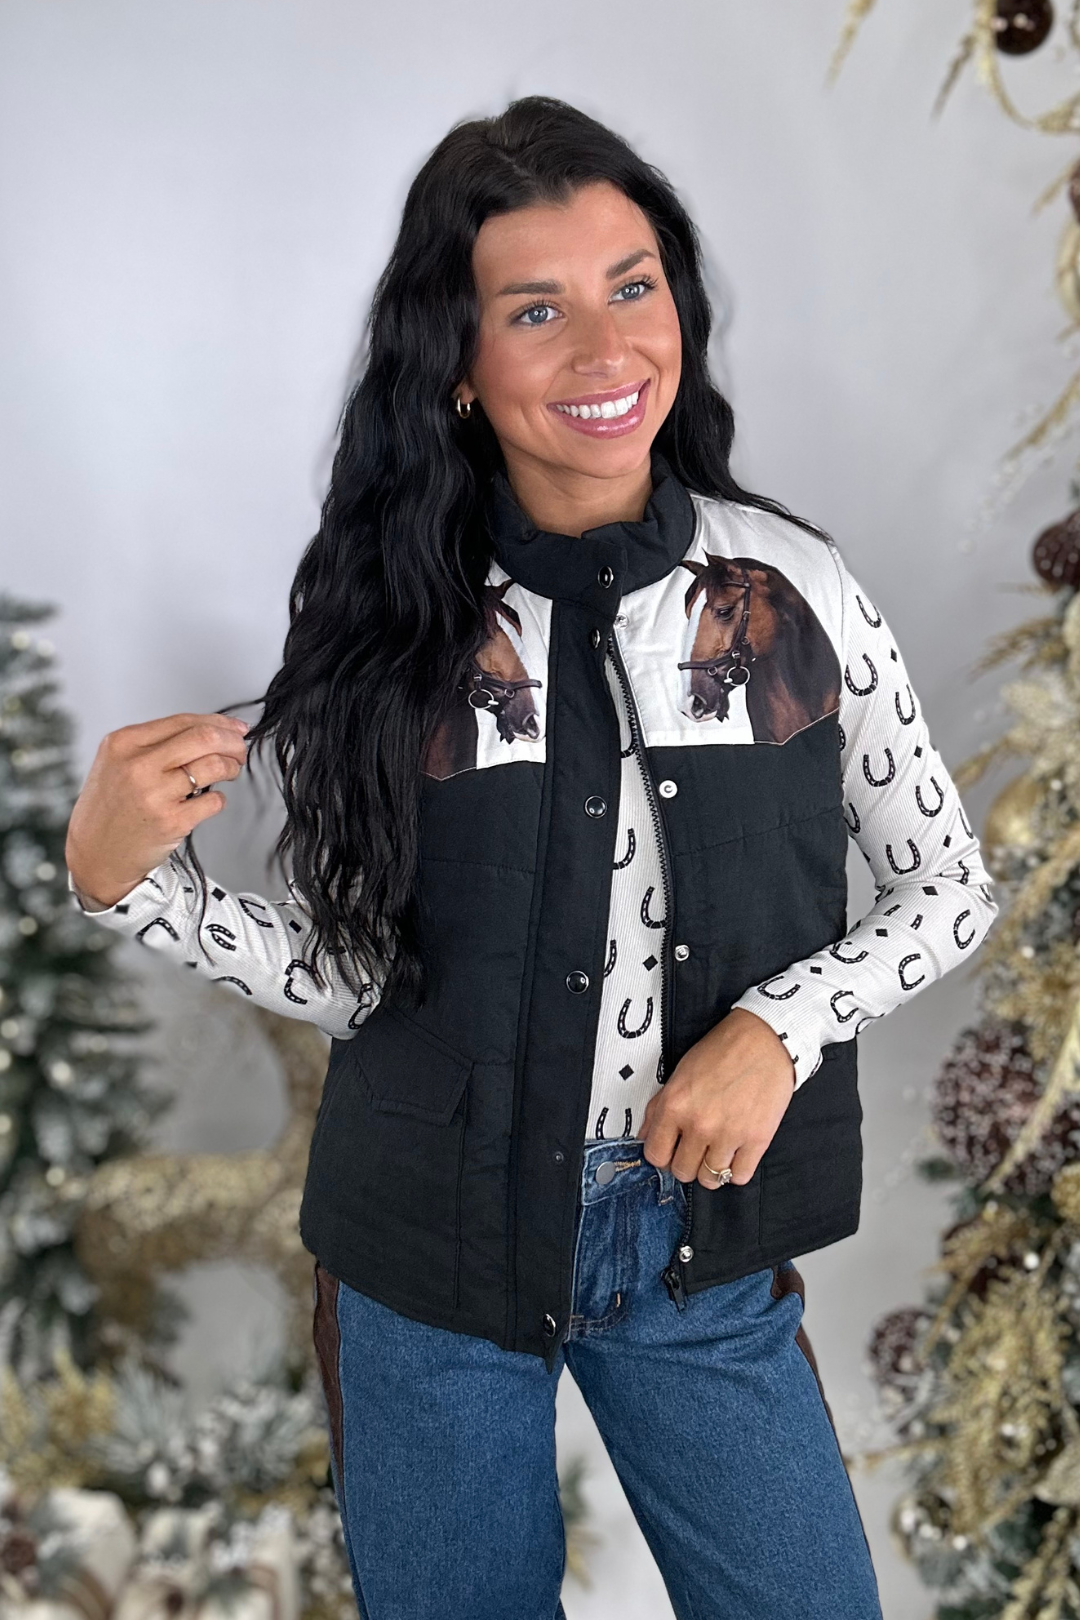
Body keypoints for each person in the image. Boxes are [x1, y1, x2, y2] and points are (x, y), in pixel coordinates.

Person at [65, 95, 997, 1620]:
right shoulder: (391, 632)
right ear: (458, 365)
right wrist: (128, 883)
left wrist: (775, 1028)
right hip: (424, 1260)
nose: (605, 351)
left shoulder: (787, 596)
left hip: (701, 1249)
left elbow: (945, 887)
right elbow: (362, 976)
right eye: (535, 311)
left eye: (633, 288)